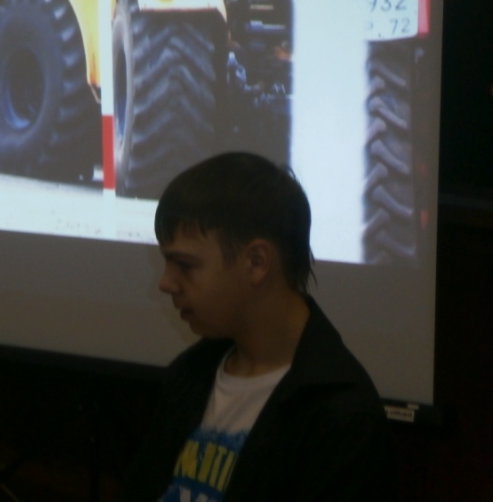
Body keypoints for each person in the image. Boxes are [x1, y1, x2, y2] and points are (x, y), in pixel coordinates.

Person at [124, 152, 394, 502]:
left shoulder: (342, 417)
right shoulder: (190, 375)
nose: (166, 283)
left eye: (185, 265)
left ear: (256, 262)